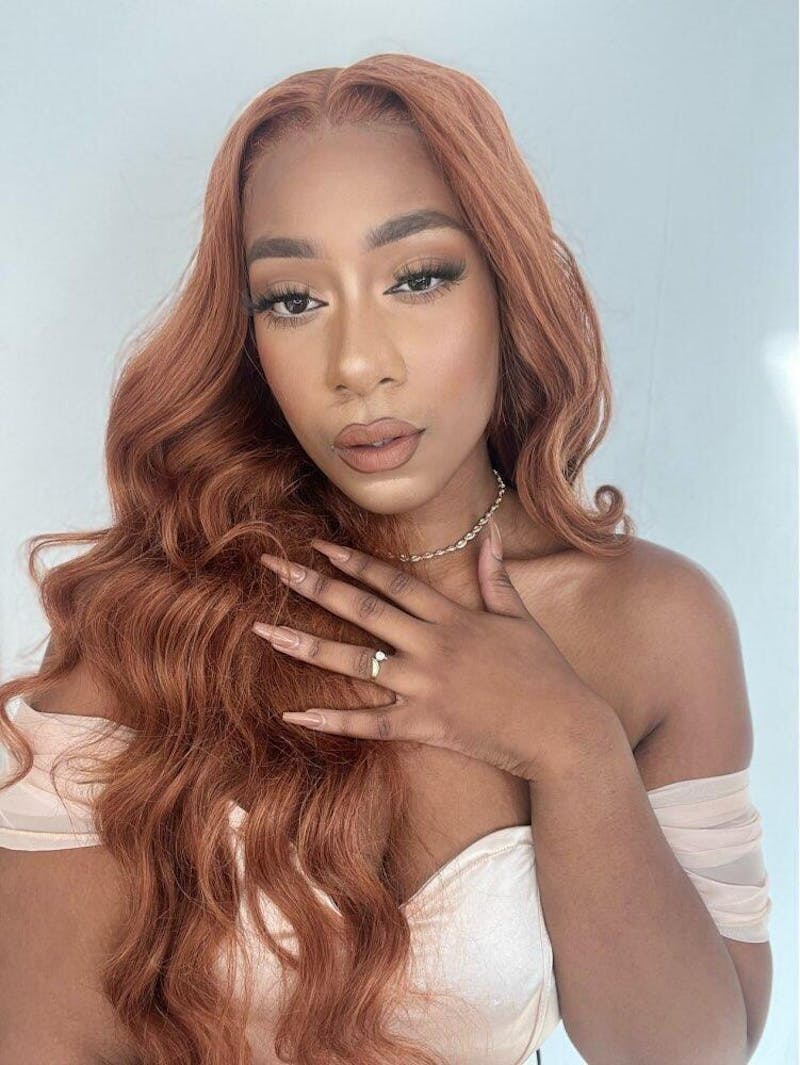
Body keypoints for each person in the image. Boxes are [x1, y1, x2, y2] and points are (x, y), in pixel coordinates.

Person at [0, 53, 772, 1065]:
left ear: (506, 285)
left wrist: (571, 746)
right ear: (248, 336)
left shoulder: (654, 623)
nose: (358, 364)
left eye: (416, 278)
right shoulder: (158, 621)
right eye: (292, 300)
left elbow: (687, 1052)